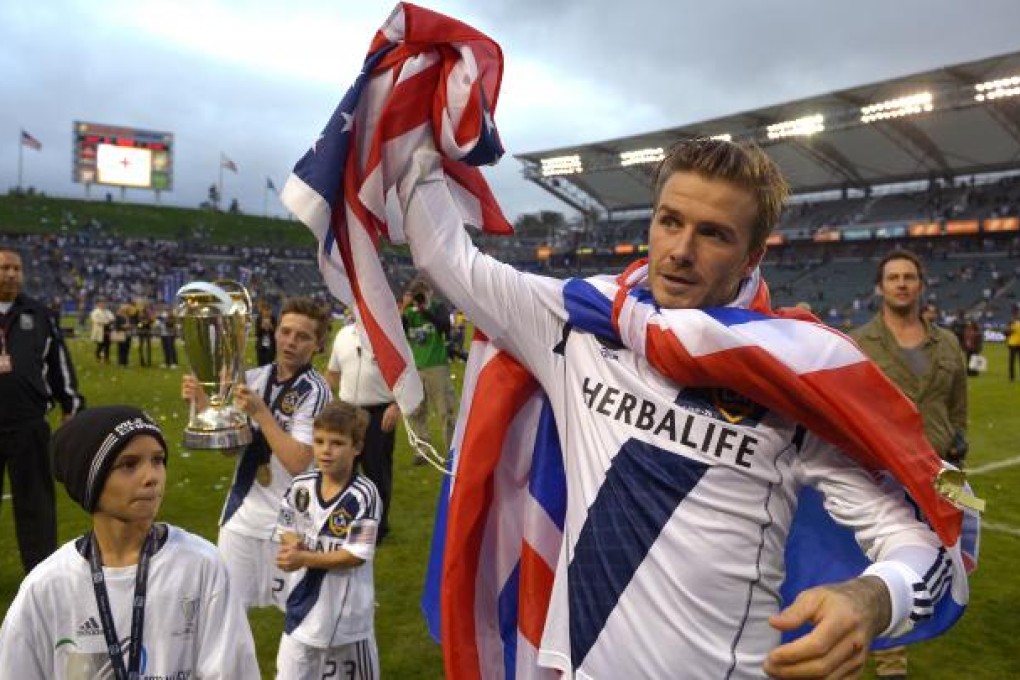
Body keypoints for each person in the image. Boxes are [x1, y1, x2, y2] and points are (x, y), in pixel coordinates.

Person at [399, 140, 953, 678]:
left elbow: (921, 543)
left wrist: (871, 597)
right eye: (670, 221)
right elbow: (443, 254)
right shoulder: (580, 321)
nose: (681, 251)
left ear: (752, 256)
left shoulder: (789, 372)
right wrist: (414, 121)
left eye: (713, 234)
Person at [0, 406, 260, 678]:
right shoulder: (46, 587)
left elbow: (233, 670)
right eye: (129, 464)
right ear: (90, 480)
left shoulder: (202, 566)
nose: (152, 478)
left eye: (157, 460)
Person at [850, 249, 969, 678]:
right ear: (880, 287)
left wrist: (958, 455)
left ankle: (904, 633)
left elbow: (957, 409)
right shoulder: (860, 343)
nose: (902, 283)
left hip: (940, 473)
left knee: (942, 561)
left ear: (920, 285)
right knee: (890, 557)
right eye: (893, 277)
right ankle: (891, 659)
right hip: (884, 475)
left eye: (909, 277)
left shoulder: (949, 343)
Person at [181, 296, 333, 610]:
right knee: (227, 616)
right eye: (286, 331)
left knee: (298, 621)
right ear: (275, 332)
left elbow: (298, 462)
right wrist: (204, 408)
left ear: (318, 345)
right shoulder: (252, 378)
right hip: (242, 517)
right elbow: (232, 450)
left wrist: (261, 413)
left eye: (303, 336)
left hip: (292, 523)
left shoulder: (316, 391)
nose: (291, 341)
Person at [273, 401, 381, 680]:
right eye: (319, 441)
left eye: (336, 443)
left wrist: (303, 558)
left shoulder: (364, 495)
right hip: (301, 611)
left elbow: (355, 554)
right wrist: (293, 541)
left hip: (348, 621)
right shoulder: (301, 486)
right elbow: (286, 525)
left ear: (356, 447)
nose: (325, 450)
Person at [0, 247, 85, 573]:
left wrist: (71, 405)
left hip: (29, 423)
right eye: (5, 267)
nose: (11, 274)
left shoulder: (39, 315)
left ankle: (40, 574)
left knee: (35, 503)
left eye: (17, 268)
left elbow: (59, 365)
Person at [326, 321, 400, 542]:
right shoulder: (342, 335)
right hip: (347, 412)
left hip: (379, 413)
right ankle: (341, 523)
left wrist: (397, 405)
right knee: (341, 471)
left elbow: (408, 377)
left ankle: (377, 529)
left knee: (377, 472)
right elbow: (332, 373)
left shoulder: (390, 335)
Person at [400, 279, 456, 457]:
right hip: (415, 367)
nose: (419, 296)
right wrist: (404, 308)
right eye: (415, 292)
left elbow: (444, 326)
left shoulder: (438, 307)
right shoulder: (408, 313)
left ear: (429, 292)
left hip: (436, 365)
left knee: (445, 410)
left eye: (421, 292)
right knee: (417, 410)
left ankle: (452, 450)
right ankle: (422, 450)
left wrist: (425, 310)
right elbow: (397, 330)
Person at [88, 299, 114, 364]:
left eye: (104, 303)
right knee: (100, 345)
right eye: (101, 303)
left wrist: (107, 321)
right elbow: (96, 320)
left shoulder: (107, 311)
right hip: (100, 330)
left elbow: (112, 318)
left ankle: (107, 358)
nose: (103, 305)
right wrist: (106, 321)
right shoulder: (95, 312)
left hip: (108, 329)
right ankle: (98, 357)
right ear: (98, 304)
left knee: (108, 345)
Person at [255, 299, 278, 366]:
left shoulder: (273, 319)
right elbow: (257, 334)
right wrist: (262, 327)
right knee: (260, 364)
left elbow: (276, 333)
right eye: (265, 310)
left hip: (271, 345)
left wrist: (271, 327)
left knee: (269, 363)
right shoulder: (259, 319)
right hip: (261, 345)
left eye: (269, 310)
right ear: (262, 311)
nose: (267, 312)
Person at [1008, 308, 1020, 382]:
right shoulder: (1011, 322)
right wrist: (1010, 330)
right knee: (1012, 361)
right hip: (1012, 343)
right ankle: (1012, 377)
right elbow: (1006, 332)